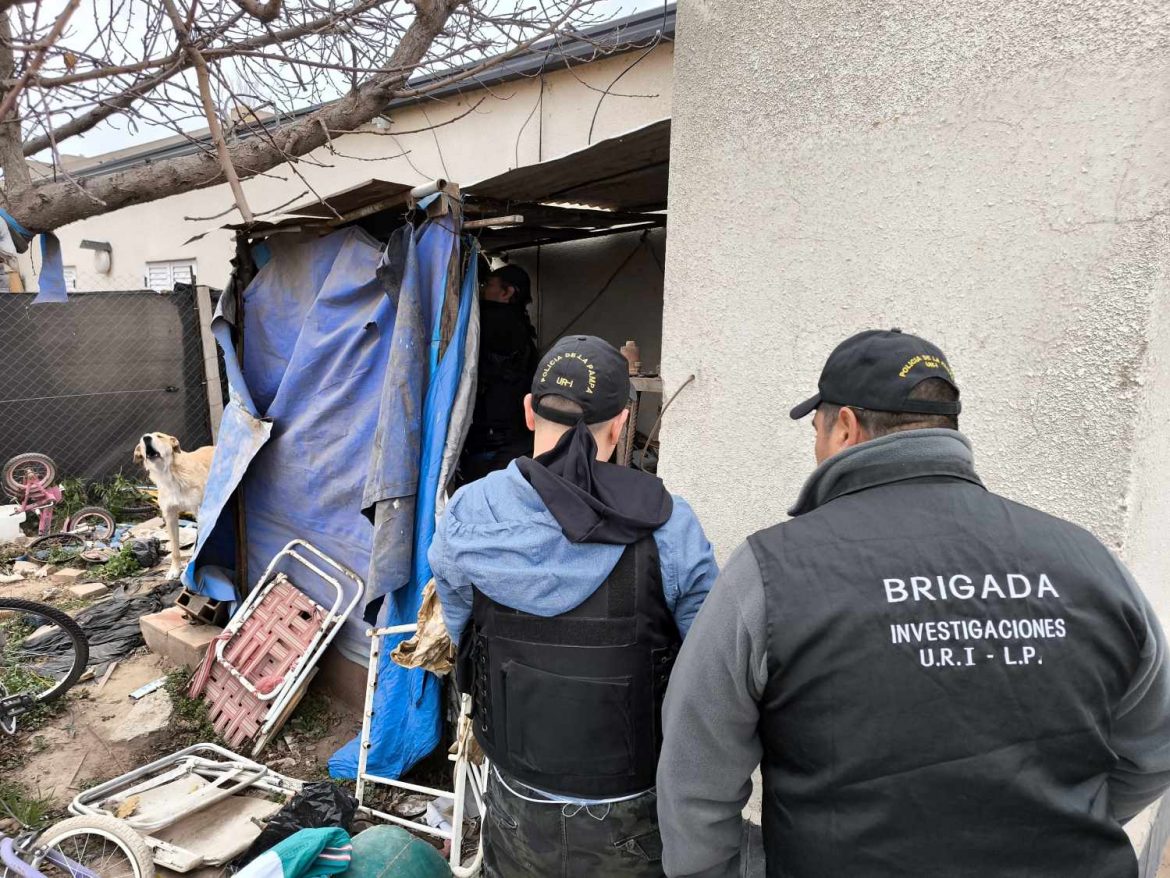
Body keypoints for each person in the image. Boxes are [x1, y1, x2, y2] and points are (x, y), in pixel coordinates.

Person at [657, 328, 1170, 878]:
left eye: (816, 430)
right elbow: (1152, 750)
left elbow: (695, 773)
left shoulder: (770, 573)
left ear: (846, 427)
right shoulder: (1089, 561)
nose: (815, 447)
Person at [429, 334, 719, 877]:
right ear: (621, 423)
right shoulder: (669, 525)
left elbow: (462, 628)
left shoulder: (468, 513)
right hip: (630, 807)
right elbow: (709, 666)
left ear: (528, 413)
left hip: (516, 788)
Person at [457, 264, 538, 486]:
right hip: (516, 437)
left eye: (487, 284)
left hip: (491, 439)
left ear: (507, 292)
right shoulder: (521, 325)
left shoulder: (488, 321)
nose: (481, 289)